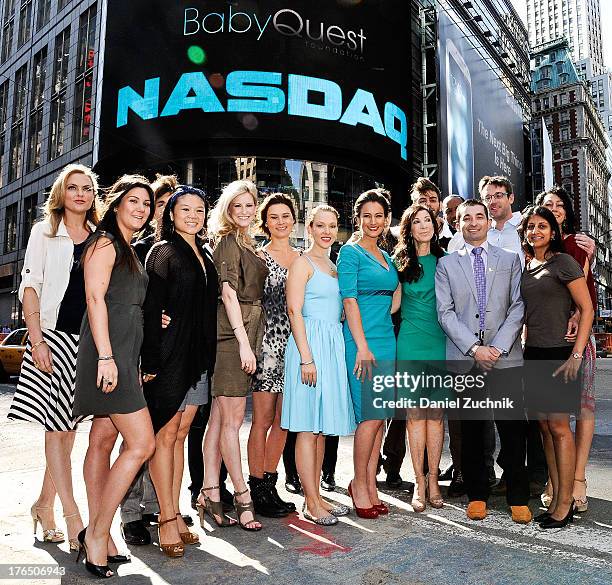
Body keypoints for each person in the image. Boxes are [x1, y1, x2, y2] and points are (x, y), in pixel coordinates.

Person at [8, 164, 101, 551]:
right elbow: (30, 287)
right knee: (56, 431)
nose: (80, 194)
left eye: (87, 189)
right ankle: (70, 514)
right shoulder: (44, 232)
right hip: (52, 338)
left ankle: (43, 504)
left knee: (69, 431)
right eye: (73, 187)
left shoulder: (99, 236)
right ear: (62, 193)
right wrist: (36, 340)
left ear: (94, 197)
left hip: (87, 342)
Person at [73, 175, 156, 577]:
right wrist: (107, 357)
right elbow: (94, 298)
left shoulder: (127, 247)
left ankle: (98, 534)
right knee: (142, 443)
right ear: (117, 202)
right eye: (134, 201)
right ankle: (98, 534)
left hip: (124, 350)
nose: (141, 208)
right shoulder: (104, 242)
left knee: (104, 438)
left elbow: (126, 303)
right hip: (108, 352)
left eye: (147, 204)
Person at [436, 199, 530, 523]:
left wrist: (498, 347)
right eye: (466, 218)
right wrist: (475, 349)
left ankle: (519, 496)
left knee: (512, 429)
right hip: (466, 360)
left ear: (489, 222)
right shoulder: (447, 265)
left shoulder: (509, 260)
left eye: (479, 217)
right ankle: (477, 495)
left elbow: (518, 306)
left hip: (505, 359)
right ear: (458, 224)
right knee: (473, 431)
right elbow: (445, 313)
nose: (473, 223)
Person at [140, 185, 217, 555]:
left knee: (182, 432)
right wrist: (151, 360)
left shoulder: (205, 253)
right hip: (170, 357)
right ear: (170, 214)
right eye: (184, 209)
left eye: (199, 209)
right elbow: (149, 307)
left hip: (198, 358)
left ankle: (175, 512)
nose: (192, 215)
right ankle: (166, 518)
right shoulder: (163, 251)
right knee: (166, 434)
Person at [197, 180, 267, 531]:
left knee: (219, 421)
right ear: (226, 209)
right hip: (232, 336)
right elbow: (227, 293)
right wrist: (242, 342)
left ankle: (209, 490)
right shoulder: (226, 241)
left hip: (244, 332)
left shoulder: (244, 241)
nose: (243, 211)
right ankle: (242, 495)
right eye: (236, 206)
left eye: (248, 206)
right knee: (233, 422)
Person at [281, 205, 356, 524]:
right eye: (320, 225)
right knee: (308, 428)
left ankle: (317, 496)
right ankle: (310, 501)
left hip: (332, 346)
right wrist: (306, 358)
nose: (326, 231)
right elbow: (294, 311)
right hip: (308, 347)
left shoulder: (335, 265)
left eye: (332, 225)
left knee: (322, 430)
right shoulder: (302, 263)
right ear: (309, 228)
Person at [520, 206, 594, 529]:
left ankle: (565, 505)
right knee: (545, 429)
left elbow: (587, 309)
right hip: (533, 354)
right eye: (531, 226)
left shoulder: (563, 262)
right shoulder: (529, 264)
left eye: (542, 226)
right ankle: (556, 496)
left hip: (560, 355)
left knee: (560, 428)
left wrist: (576, 357)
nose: (536, 231)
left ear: (553, 231)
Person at [120, 173, 177, 547]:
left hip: (176, 354)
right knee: (140, 437)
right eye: (158, 204)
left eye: (166, 206)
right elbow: (124, 298)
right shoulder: (138, 249)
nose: (161, 212)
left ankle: (159, 506)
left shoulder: (186, 249)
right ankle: (131, 514)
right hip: (142, 352)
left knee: (164, 435)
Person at [337, 189, 400, 519]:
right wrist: (361, 346)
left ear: (387, 219)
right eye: (367, 216)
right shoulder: (350, 254)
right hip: (362, 344)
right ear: (357, 219)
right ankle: (358, 485)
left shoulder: (387, 257)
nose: (373, 222)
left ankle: (370, 486)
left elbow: (394, 297)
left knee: (380, 420)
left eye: (379, 216)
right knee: (370, 417)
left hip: (387, 341)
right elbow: (349, 300)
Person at [536, 187, 597, 513]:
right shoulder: (538, 246)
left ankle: (578, 480)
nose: (554, 209)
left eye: (560, 205)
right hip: (546, 340)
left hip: (576, 338)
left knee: (582, 408)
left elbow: (582, 293)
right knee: (552, 417)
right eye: (548, 205)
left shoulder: (578, 243)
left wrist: (577, 315)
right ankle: (555, 479)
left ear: (568, 211)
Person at [247, 193, 300, 517]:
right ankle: (256, 487)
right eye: (274, 216)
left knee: (284, 421)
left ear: (294, 220)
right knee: (263, 420)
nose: (281, 221)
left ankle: (271, 484)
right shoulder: (259, 258)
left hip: (296, 348)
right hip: (268, 346)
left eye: (286, 216)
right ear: (265, 222)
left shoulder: (303, 258)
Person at [394, 204, 446, 512]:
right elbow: (387, 301)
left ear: (435, 226)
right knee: (415, 415)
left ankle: (435, 480)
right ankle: (418, 482)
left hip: (440, 344)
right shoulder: (397, 262)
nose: (424, 225)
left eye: (428, 220)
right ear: (409, 228)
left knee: (436, 416)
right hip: (410, 344)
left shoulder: (447, 261)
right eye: (417, 221)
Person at [133, 174, 178, 264]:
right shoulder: (140, 249)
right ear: (152, 211)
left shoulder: (191, 245)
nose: (167, 208)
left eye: (171, 202)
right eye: (161, 204)